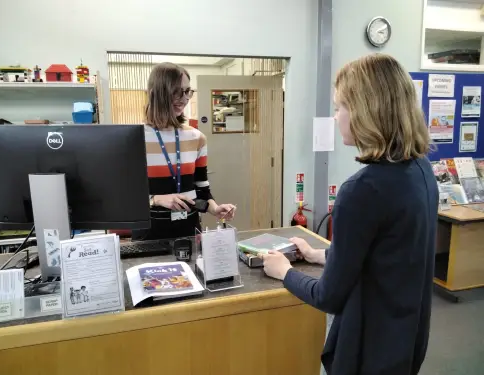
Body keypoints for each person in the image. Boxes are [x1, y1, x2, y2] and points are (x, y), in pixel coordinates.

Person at [260, 54, 438, 375]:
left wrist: (284, 271)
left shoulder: (362, 190)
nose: (336, 116)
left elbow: (328, 296)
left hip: (369, 351)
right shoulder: (421, 170)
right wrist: (321, 256)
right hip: (407, 339)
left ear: (364, 111)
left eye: (339, 107)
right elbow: (388, 255)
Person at [133, 62, 236, 241]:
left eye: (187, 91)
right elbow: (127, 196)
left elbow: (202, 188)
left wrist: (215, 208)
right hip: (149, 232)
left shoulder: (197, 138)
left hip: (189, 228)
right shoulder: (134, 138)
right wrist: (156, 199)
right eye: (176, 91)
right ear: (156, 93)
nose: (184, 98)